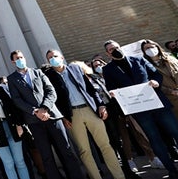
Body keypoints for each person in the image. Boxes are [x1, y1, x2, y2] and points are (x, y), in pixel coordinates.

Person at [102, 39, 178, 178]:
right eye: (112, 49)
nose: (115, 50)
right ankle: (171, 170)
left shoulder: (138, 59)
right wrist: (113, 93)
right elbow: (110, 87)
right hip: (139, 109)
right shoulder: (107, 69)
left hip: (157, 103)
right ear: (108, 54)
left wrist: (156, 81)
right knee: (154, 138)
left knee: (175, 130)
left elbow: (155, 73)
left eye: (116, 47)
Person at [44, 50, 124, 179]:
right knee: (84, 151)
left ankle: (119, 176)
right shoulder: (48, 76)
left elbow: (90, 88)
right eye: (50, 58)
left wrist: (101, 105)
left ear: (62, 57)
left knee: (105, 145)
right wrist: (62, 117)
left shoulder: (75, 68)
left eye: (55, 56)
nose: (53, 59)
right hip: (72, 115)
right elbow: (53, 99)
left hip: (90, 110)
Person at [7, 50, 85, 179]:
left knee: (66, 151)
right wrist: (35, 111)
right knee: (46, 155)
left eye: (22, 57)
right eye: (17, 58)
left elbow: (51, 91)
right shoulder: (12, 79)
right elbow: (17, 100)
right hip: (34, 121)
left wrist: (45, 108)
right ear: (13, 61)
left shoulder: (38, 72)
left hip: (52, 116)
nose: (21, 60)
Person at [141, 39, 178, 119]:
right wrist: (171, 91)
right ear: (143, 52)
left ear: (157, 47)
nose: (150, 49)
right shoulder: (145, 66)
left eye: (152, 46)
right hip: (170, 98)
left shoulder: (170, 58)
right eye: (147, 48)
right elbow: (151, 83)